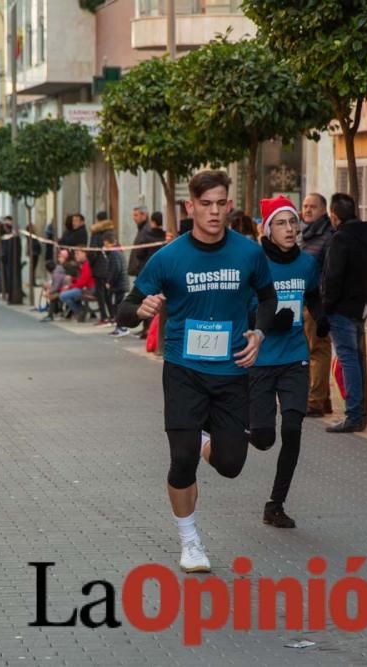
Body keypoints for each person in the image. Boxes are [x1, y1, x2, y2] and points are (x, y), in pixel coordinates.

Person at [116, 170, 276, 573]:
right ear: (191, 207)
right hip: (184, 370)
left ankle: (208, 439)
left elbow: (268, 298)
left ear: (229, 205)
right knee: (182, 460)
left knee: (231, 464)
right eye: (205, 204)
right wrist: (140, 310)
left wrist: (259, 332)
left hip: (231, 371)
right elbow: (123, 308)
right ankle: (190, 541)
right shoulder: (169, 257)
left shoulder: (248, 252)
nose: (214, 212)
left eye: (221, 203)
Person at [247, 196, 325, 529]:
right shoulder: (255, 263)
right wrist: (264, 321)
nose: (291, 229)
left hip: (294, 356)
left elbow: (312, 294)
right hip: (262, 358)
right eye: (281, 223)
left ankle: (275, 504)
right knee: (264, 437)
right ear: (268, 229)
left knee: (292, 428)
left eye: (293, 222)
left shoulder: (307, 263)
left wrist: (322, 318)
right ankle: (236, 422)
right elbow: (243, 307)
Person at [322, 193, 367, 434]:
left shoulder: (340, 239)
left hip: (341, 308)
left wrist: (326, 308)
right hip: (358, 306)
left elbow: (333, 277)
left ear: (334, 217)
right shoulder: (366, 236)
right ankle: (358, 411)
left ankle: (354, 413)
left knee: (348, 359)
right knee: (353, 358)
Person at [299, 193, 335, 417]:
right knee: (312, 349)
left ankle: (315, 401)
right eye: (305, 206)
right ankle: (323, 399)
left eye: (313, 207)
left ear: (324, 210)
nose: (308, 210)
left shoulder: (326, 235)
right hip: (304, 298)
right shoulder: (305, 233)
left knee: (317, 350)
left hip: (316, 301)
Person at [129, 210, 166, 339]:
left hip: (146, 271)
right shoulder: (166, 236)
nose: (134, 218)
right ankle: (150, 330)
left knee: (146, 301)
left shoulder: (147, 233)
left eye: (136, 215)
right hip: (161, 273)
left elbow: (139, 253)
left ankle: (147, 330)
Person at [88, 211, 116, 325]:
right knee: (109, 293)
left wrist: (91, 264)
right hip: (109, 266)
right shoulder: (111, 232)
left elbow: (92, 252)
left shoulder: (96, 233)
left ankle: (103, 317)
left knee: (100, 294)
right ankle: (112, 315)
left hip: (99, 268)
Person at [59, 248, 94, 322]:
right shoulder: (83, 264)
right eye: (75, 254)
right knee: (66, 294)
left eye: (77, 254)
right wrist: (73, 282)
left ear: (84, 254)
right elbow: (80, 280)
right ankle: (80, 310)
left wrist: (70, 287)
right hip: (86, 288)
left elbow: (82, 282)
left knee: (63, 295)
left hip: (90, 289)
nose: (75, 256)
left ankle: (79, 311)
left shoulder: (87, 265)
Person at [105, 237, 131, 337]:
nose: (105, 247)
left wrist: (109, 281)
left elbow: (116, 269)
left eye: (106, 244)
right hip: (121, 283)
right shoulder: (118, 251)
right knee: (118, 306)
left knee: (118, 306)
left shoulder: (114, 253)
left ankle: (121, 327)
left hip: (119, 284)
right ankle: (119, 327)